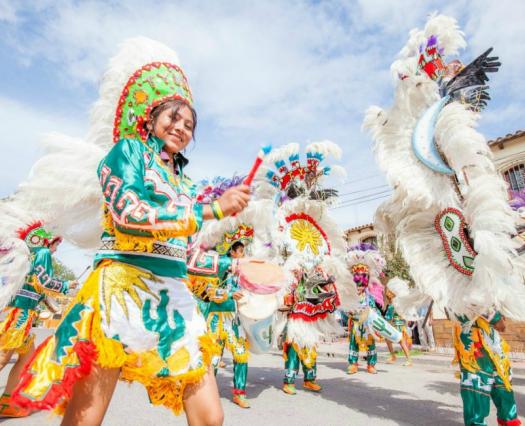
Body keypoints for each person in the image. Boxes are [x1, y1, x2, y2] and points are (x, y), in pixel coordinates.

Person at [12, 38, 250, 426]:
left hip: (174, 298)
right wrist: (211, 209)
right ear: (151, 117)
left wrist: (238, 268)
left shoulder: (186, 185)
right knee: (85, 418)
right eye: (173, 117)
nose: (181, 127)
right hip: (121, 291)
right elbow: (130, 215)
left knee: (210, 418)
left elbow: (185, 254)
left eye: (189, 124)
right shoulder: (127, 153)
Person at [0, 222, 77, 418]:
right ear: (46, 240)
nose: (56, 248)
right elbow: (45, 281)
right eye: (56, 243)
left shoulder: (29, 256)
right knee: (2, 357)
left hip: (21, 312)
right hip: (18, 313)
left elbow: (36, 287)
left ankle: (7, 401)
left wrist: (50, 305)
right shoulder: (42, 253)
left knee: (26, 358)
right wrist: (67, 285)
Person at [206, 238, 251, 408]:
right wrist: (230, 295)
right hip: (216, 319)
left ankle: (239, 393)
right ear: (231, 252)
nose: (243, 255)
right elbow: (207, 291)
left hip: (234, 319)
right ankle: (207, 394)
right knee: (214, 358)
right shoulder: (216, 268)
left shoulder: (241, 273)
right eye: (240, 251)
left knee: (241, 353)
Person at [455, 312, 521, 425]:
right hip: (473, 344)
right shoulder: (457, 296)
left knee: (503, 387)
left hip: (492, 342)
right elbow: (456, 308)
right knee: (476, 392)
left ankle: (508, 420)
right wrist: (495, 318)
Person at [384, 285, 412, 366]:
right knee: (388, 340)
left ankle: (409, 360)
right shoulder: (392, 302)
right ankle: (393, 356)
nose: (387, 293)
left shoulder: (397, 302)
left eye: (388, 292)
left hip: (398, 325)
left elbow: (401, 313)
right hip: (392, 324)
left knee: (402, 342)